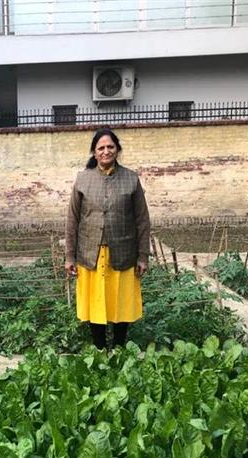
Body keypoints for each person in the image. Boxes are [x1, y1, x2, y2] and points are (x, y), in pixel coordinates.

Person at [64, 128, 151, 350]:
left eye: (110, 147)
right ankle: (100, 349)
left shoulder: (131, 179)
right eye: (101, 148)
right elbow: (72, 219)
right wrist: (69, 257)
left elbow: (142, 220)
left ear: (117, 149)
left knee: (121, 304)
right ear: (94, 152)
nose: (106, 151)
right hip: (90, 254)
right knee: (96, 304)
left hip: (122, 253)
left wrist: (142, 256)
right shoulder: (83, 179)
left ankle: (119, 349)